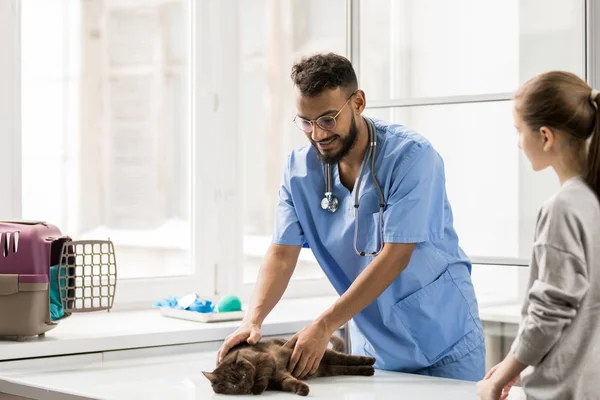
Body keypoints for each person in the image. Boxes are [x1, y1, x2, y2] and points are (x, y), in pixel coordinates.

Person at [218, 52, 485, 381]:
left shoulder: (412, 157)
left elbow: (396, 256)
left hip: (443, 338)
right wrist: (252, 320)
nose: (317, 134)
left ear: (357, 102)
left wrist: (325, 323)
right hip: (375, 346)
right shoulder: (299, 171)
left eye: (327, 119)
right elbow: (281, 254)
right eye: (305, 122)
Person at [476, 71, 600, 400]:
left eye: (519, 131)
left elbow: (550, 311)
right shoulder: (591, 201)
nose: (518, 142)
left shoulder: (564, 207)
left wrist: (500, 376)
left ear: (546, 137)